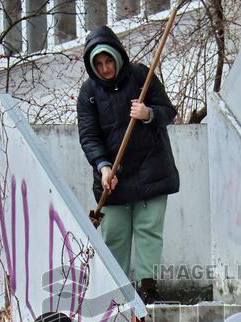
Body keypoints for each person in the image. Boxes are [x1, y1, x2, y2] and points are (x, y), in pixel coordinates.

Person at [76, 25, 180, 304]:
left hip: (151, 170)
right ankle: (118, 295)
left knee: (148, 231)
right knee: (115, 236)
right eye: (99, 64)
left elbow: (168, 112)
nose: (106, 68)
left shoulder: (140, 75)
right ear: (91, 66)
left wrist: (148, 113)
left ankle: (147, 291)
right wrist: (103, 167)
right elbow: (89, 136)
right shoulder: (88, 93)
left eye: (108, 61)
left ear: (118, 56)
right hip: (113, 178)